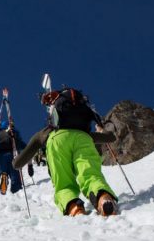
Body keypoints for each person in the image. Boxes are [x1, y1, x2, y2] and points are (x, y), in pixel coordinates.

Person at [13, 87, 119, 216]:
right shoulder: (85, 133)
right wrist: (102, 131)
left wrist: (14, 160)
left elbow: (18, 164)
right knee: (91, 175)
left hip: (57, 140)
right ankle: (103, 196)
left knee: (64, 184)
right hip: (83, 139)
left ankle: (74, 206)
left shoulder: (46, 132)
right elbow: (111, 138)